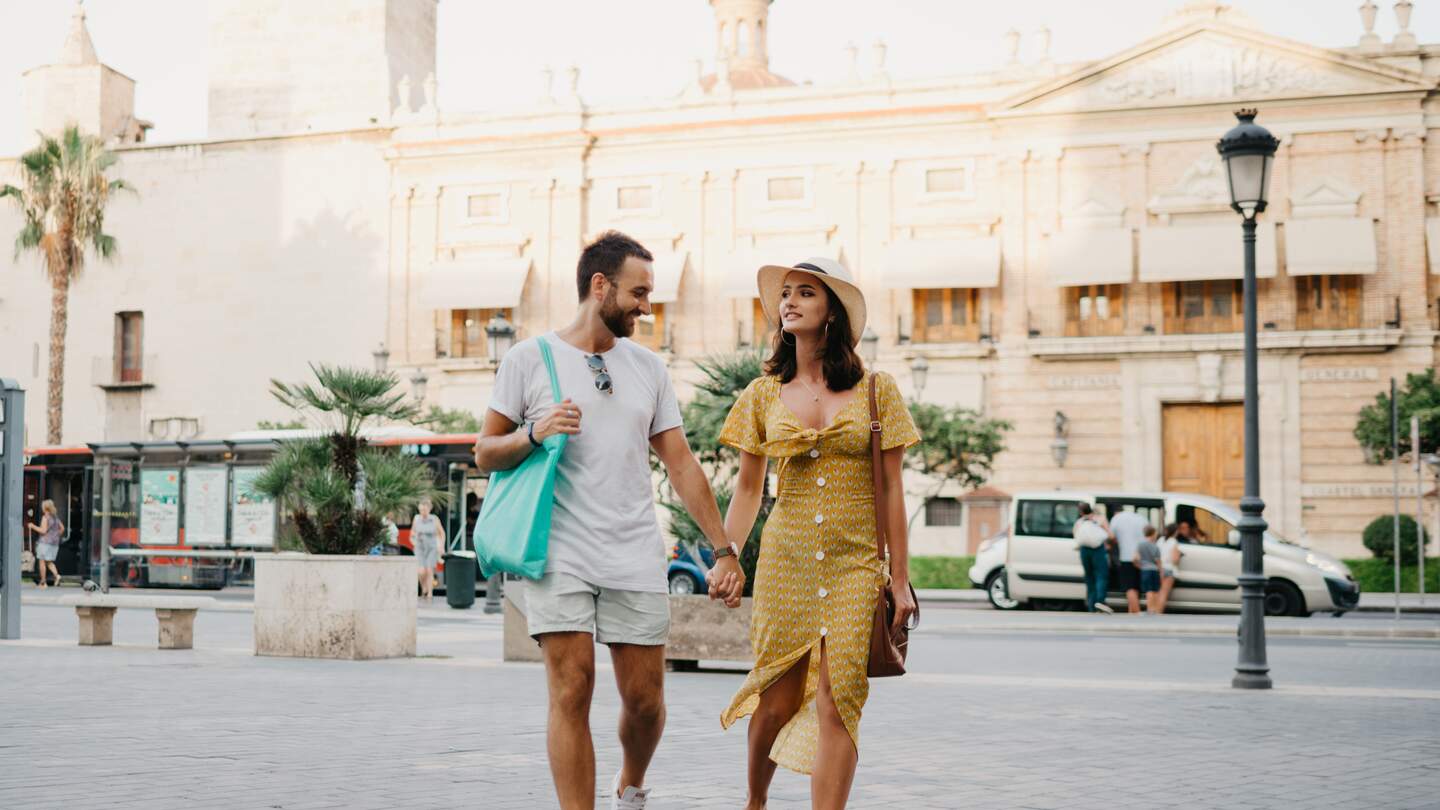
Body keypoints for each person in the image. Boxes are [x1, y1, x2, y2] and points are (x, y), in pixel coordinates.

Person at [475, 231, 742, 810]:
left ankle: (631, 784)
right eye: (638, 292)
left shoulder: (648, 368)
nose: (647, 306)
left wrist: (724, 549)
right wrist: (534, 431)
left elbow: (681, 463)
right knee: (572, 688)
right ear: (600, 287)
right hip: (559, 551)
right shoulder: (528, 359)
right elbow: (485, 453)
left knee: (645, 701)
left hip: (633, 551)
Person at [716, 256, 920, 810]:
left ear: (832, 310)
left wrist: (899, 579)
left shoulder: (878, 390)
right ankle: (755, 802)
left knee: (841, 698)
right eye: (785, 293)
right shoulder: (761, 395)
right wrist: (725, 554)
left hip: (856, 564)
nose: (789, 302)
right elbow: (748, 490)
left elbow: (892, 490)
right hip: (788, 561)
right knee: (777, 700)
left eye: (805, 293)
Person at [1073, 503, 1113, 614]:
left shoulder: (1079, 522)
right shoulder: (1100, 519)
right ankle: (1100, 601)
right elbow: (1110, 535)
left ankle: (1091, 605)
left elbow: (1076, 536)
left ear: (1081, 512)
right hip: (1098, 550)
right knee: (1101, 575)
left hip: (1084, 551)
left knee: (1089, 577)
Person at [1108, 507, 1149, 614]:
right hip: (1141, 557)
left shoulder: (1117, 518)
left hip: (1126, 557)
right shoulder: (1141, 518)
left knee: (1129, 587)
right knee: (1136, 587)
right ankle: (1131, 612)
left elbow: (1111, 537)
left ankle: (1136, 613)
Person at [410, 499, 445, 601]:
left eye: (425, 510)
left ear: (429, 509)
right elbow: (412, 533)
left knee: (429, 570)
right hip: (420, 547)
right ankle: (424, 587)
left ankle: (429, 593)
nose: (423, 512)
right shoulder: (416, 519)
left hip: (432, 547)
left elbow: (442, 533)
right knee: (421, 571)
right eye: (421, 510)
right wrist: (413, 541)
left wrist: (441, 546)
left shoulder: (434, 519)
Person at [27, 500, 63, 588]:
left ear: (45, 507)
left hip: (45, 543)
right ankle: (57, 575)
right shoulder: (55, 518)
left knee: (42, 561)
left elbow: (43, 531)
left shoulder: (45, 517)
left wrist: (32, 526)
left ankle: (43, 583)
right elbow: (62, 528)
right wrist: (55, 535)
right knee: (49, 562)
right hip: (54, 543)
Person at [1134, 524, 1163, 614]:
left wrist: (1140, 566)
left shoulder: (1140, 545)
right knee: (1155, 591)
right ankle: (1154, 609)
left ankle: (1149, 609)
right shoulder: (1155, 546)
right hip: (1154, 570)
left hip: (1145, 570)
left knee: (1148, 591)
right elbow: (1158, 561)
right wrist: (1161, 571)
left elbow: (1135, 558)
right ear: (1153, 534)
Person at [1156, 522, 1183, 614]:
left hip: (1159, 568)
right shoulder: (1173, 542)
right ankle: (1159, 612)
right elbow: (1175, 560)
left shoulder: (1160, 540)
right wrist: (1179, 555)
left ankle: (1155, 611)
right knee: (1164, 593)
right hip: (1169, 569)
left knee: (1158, 592)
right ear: (1175, 532)